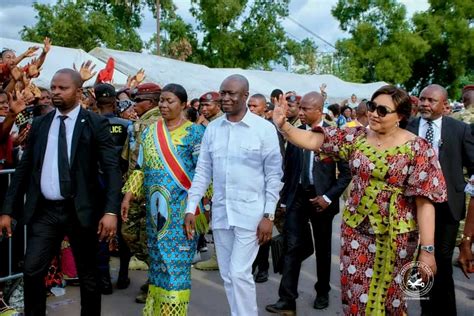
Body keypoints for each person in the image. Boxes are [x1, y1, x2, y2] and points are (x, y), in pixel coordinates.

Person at [273, 84, 448, 315]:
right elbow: (312, 140)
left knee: (393, 299)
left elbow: (424, 202)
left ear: (401, 116)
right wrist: (283, 125)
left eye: (383, 111)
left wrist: (427, 250)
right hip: (357, 231)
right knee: (356, 296)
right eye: (373, 107)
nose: (374, 113)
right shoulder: (355, 137)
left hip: (399, 237)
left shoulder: (418, 148)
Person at [0, 68, 121, 316]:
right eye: (53, 87)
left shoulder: (96, 124)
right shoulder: (41, 123)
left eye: (62, 88)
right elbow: (23, 169)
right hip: (45, 210)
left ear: (78, 91)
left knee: (89, 275)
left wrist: (110, 210)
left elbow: (112, 169)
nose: (55, 92)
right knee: (32, 269)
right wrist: (7, 210)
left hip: (81, 210)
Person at [184, 74, 283, 316]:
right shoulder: (213, 129)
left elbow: (273, 175)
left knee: (239, 272)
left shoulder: (263, 129)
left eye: (231, 94)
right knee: (228, 275)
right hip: (221, 213)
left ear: (245, 96)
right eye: (223, 93)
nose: (225, 98)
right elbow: (203, 171)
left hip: (251, 214)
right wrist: (191, 207)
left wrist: (269, 215)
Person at [121, 83, 206, 315]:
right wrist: (128, 195)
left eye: (170, 101)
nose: (164, 105)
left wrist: (200, 208)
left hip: (182, 213)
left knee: (175, 267)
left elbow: (204, 173)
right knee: (157, 263)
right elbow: (139, 168)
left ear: (184, 105)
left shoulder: (196, 133)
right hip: (155, 212)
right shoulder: (150, 132)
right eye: (162, 100)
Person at [266, 92, 352, 314]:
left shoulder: (333, 136)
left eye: (306, 109)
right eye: (300, 108)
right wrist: (284, 200)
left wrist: (327, 197)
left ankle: (322, 291)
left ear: (320, 111)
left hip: (322, 199)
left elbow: (346, 173)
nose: (301, 112)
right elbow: (290, 169)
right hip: (298, 197)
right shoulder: (295, 134)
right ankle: (287, 300)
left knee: (323, 249)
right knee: (292, 246)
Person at [405, 84, 474, 316]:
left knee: (442, 261)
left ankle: (445, 310)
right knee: (418, 260)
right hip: (412, 204)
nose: (424, 104)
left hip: (447, 206)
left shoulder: (460, 129)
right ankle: (426, 308)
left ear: (444, 105)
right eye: (422, 99)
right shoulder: (407, 126)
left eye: (431, 101)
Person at [121, 82, 162, 303]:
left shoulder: (160, 123)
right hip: (133, 189)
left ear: (153, 101)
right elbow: (129, 159)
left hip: (151, 192)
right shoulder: (137, 123)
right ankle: (159, 274)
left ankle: (156, 282)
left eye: (139, 101)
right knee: (128, 232)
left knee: (148, 238)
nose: (134, 104)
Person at [94, 83, 132, 292]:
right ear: (115, 100)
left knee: (100, 230)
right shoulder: (127, 126)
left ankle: (104, 279)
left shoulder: (90, 123)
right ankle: (124, 275)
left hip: (98, 184)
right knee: (122, 230)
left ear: (95, 99)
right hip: (122, 182)